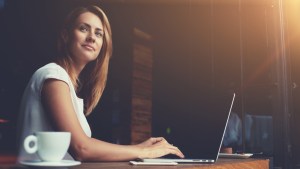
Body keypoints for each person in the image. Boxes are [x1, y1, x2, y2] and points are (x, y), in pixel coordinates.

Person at [17, 5, 184, 162]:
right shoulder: (53, 75)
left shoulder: (66, 84)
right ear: (66, 35)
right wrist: (142, 151)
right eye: (83, 28)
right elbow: (81, 148)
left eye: (99, 33)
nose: (91, 37)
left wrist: (140, 148)